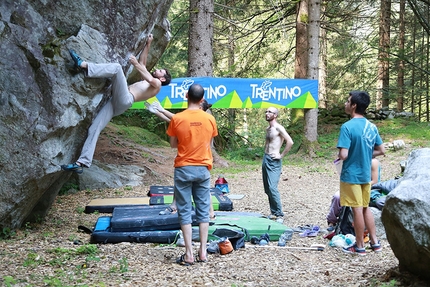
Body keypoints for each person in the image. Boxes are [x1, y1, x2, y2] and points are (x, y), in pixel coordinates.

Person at [61, 34, 171, 174]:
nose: (158, 69)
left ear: (162, 78)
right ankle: (81, 162)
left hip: (125, 99)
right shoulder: (149, 82)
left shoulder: (157, 85)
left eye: (160, 71)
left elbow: (143, 69)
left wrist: (135, 64)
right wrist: (148, 44)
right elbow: (143, 64)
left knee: (117, 68)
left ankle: (83, 65)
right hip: (117, 103)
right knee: (95, 128)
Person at [166, 83, 218, 266]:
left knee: (184, 211)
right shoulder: (209, 119)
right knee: (204, 211)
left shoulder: (177, 118)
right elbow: (209, 141)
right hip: (203, 168)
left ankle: (188, 254)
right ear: (202, 99)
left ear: (186, 95)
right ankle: (203, 251)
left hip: (183, 168)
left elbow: (173, 144)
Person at [146, 100, 216, 220]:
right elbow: (172, 120)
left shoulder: (204, 119)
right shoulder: (191, 119)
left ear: (200, 106)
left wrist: (161, 109)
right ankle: (176, 206)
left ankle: (210, 212)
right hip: (191, 161)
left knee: (202, 191)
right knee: (185, 186)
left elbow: (175, 118)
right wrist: (157, 112)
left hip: (198, 160)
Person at [337, 91, 385, 256]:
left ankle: (359, 246)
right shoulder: (372, 127)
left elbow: (343, 154)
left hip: (351, 175)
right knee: (365, 208)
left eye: (347, 101)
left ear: (354, 105)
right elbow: (381, 150)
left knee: (356, 209)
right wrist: (365, 153)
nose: (346, 103)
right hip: (365, 175)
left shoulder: (347, 127)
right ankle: (375, 242)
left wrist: (342, 155)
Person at [326, 158, 381, 231]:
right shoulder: (355, 159)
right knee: (337, 196)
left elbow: (375, 181)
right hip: (352, 186)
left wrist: (358, 186)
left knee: (360, 206)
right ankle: (331, 221)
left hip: (368, 188)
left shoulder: (373, 161)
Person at [262, 107, 294, 224]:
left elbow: (290, 141)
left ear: (275, 115)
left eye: (269, 112)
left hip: (274, 160)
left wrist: (281, 155)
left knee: (272, 187)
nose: (267, 113)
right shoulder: (268, 129)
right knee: (267, 188)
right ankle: (273, 212)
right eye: (266, 111)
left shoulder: (278, 128)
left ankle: (279, 213)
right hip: (266, 158)